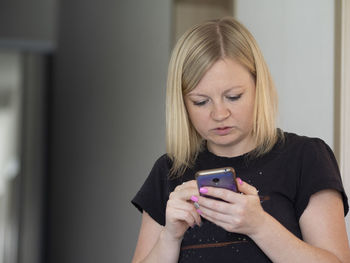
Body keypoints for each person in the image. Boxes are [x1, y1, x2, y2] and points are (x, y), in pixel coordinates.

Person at [131, 17, 350, 263]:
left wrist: (259, 226)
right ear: (182, 104)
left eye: (233, 96)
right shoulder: (169, 172)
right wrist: (169, 237)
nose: (219, 114)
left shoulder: (306, 157)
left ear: (259, 86)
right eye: (201, 102)